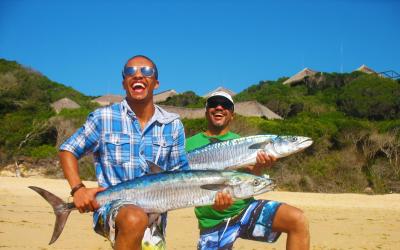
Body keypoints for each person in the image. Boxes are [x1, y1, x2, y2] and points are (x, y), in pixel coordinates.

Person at [59, 55, 189, 250]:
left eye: (146, 71)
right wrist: (78, 189)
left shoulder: (173, 124)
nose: (138, 76)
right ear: (124, 83)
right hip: (112, 208)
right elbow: (68, 150)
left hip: (155, 217)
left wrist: (216, 199)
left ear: (156, 83)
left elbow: (181, 173)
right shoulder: (103, 118)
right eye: (130, 72)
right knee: (134, 218)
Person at [186, 91, 310, 250]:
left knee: (297, 220)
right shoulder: (187, 145)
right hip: (213, 221)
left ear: (232, 115)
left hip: (245, 210)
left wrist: (259, 166)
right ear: (206, 112)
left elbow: (251, 178)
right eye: (213, 103)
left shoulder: (241, 141)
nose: (219, 107)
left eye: (226, 105)